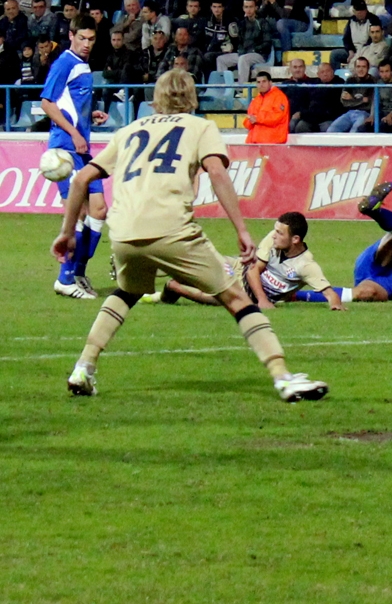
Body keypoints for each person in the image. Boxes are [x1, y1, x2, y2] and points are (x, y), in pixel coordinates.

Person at [53, 70, 328, 403]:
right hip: (173, 229)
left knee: (127, 292)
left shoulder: (129, 130)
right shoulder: (200, 127)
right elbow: (217, 172)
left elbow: (80, 180)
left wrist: (67, 233)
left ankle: (83, 367)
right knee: (237, 299)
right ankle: (284, 378)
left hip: (124, 232)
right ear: (192, 98)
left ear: (156, 99)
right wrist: (241, 229)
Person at [143, 211, 345, 310]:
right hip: (238, 269)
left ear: (295, 239)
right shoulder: (272, 240)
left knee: (180, 286)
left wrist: (335, 305)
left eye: (280, 233)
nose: (274, 235)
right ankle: (150, 263)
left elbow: (330, 294)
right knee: (193, 262)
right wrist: (263, 300)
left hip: (240, 293)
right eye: (275, 230)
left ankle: (163, 293)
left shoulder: (306, 265)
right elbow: (253, 270)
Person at [41, 15, 109, 299]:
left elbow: (70, 104)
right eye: (81, 38)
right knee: (78, 213)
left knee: (99, 210)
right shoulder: (64, 63)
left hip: (81, 148)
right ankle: (64, 279)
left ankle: (78, 272)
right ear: (71, 36)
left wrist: (89, 117)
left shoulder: (83, 65)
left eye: (91, 39)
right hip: (66, 148)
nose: (86, 44)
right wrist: (74, 132)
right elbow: (47, 103)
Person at [243, 70, 289, 144]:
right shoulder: (256, 100)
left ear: (270, 83)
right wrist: (250, 121)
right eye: (258, 82)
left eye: (264, 81)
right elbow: (247, 122)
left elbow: (277, 117)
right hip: (254, 142)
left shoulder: (279, 97)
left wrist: (257, 119)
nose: (261, 84)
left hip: (273, 142)